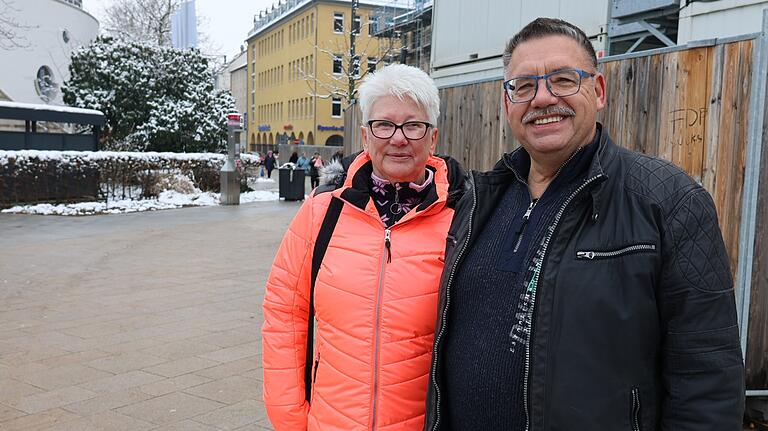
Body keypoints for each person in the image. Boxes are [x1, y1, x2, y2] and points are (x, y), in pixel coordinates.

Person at [425, 17, 744, 431]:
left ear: (598, 91)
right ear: (507, 105)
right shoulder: (483, 200)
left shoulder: (667, 202)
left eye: (562, 79)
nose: (542, 98)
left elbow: (708, 381)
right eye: (523, 86)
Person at [262, 64, 465, 431]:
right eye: (384, 125)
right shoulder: (323, 211)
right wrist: (290, 416)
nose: (398, 138)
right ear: (365, 135)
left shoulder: (462, 218)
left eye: (413, 125)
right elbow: (284, 313)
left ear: (432, 138)